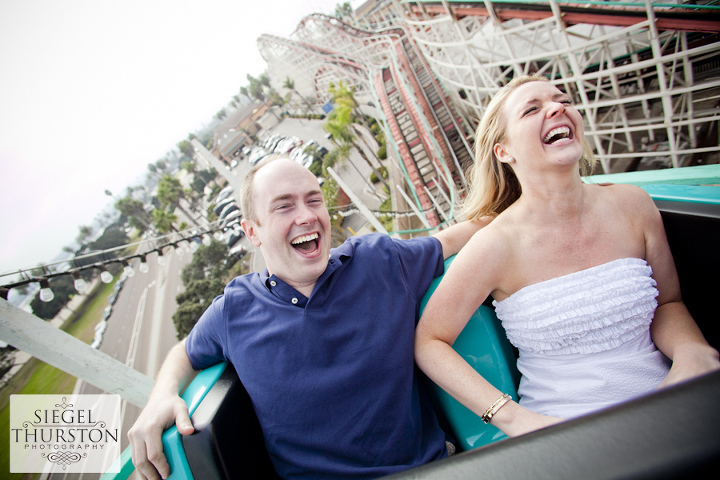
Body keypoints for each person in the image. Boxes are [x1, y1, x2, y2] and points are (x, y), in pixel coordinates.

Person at [128, 155, 490, 480]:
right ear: (252, 231)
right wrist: (161, 395)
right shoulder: (233, 311)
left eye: (314, 200)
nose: (307, 216)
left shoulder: (380, 261)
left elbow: (457, 237)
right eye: (284, 207)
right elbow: (185, 353)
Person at [414, 75, 720, 438]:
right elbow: (429, 341)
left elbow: (668, 302)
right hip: (565, 430)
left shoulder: (633, 205)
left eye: (564, 100)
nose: (558, 107)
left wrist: (692, 351)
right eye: (532, 109)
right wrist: (512, 417)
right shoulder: (495, 245)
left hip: (669, 401)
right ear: (504, 151)